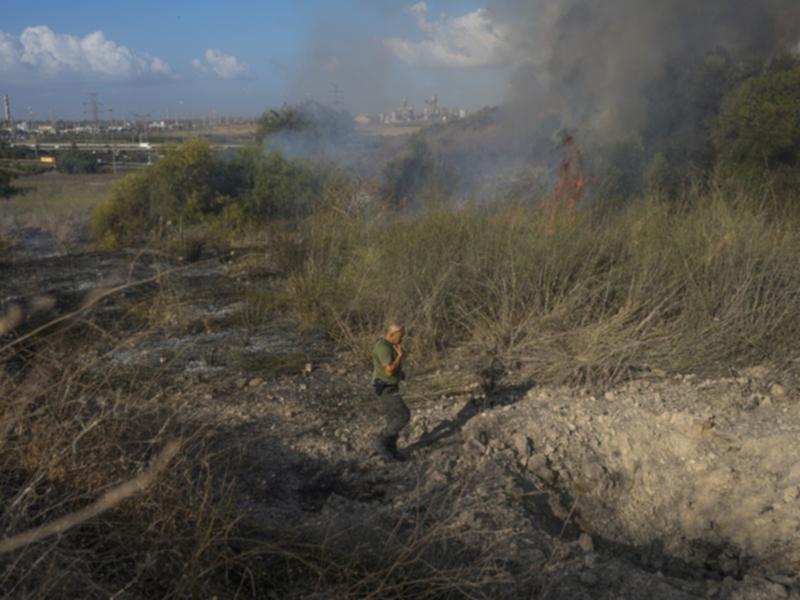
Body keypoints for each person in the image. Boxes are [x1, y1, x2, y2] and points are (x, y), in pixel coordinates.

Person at [371, 322, 410, 462]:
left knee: (392, 419)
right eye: (400, 336)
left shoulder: (388, 345)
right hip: (386, 388)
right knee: (403, 416)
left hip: (390, 385)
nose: (402, 339)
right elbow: (389, 370)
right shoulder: (383, 347)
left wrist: (400, 374)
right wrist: (400, 356)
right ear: (392, 334)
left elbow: (392, 370)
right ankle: (380, 442)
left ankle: (390, 450)